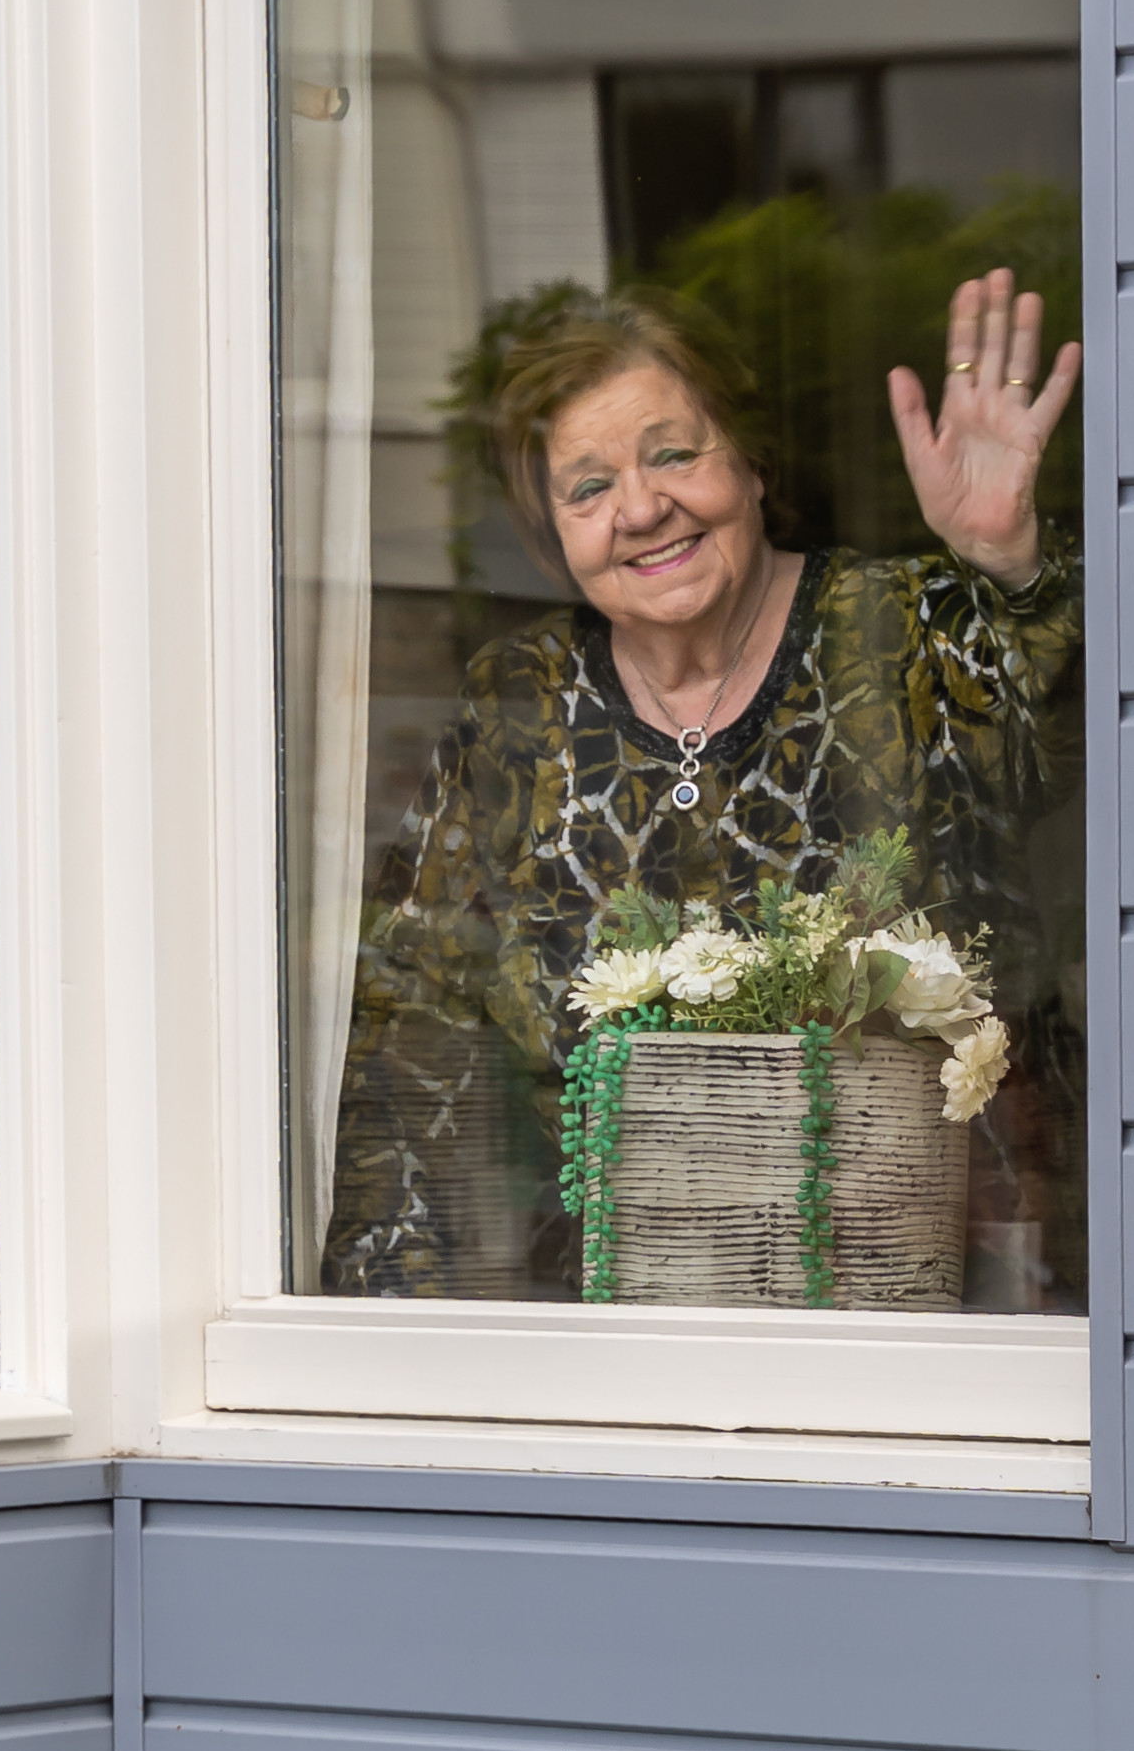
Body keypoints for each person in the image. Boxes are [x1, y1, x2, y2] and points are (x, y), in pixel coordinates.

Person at [324, 273, 1085, 1298]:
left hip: (926, 1288)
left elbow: (1077, 749)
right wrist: (399, 1315)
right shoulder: (523, 701)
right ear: (552, 536)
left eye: (674, 454)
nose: (641, 508)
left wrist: (1007, 568)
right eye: (588, 488)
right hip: (613, 1303)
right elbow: (410, 1017)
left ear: (752, 462)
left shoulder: (903, 630)